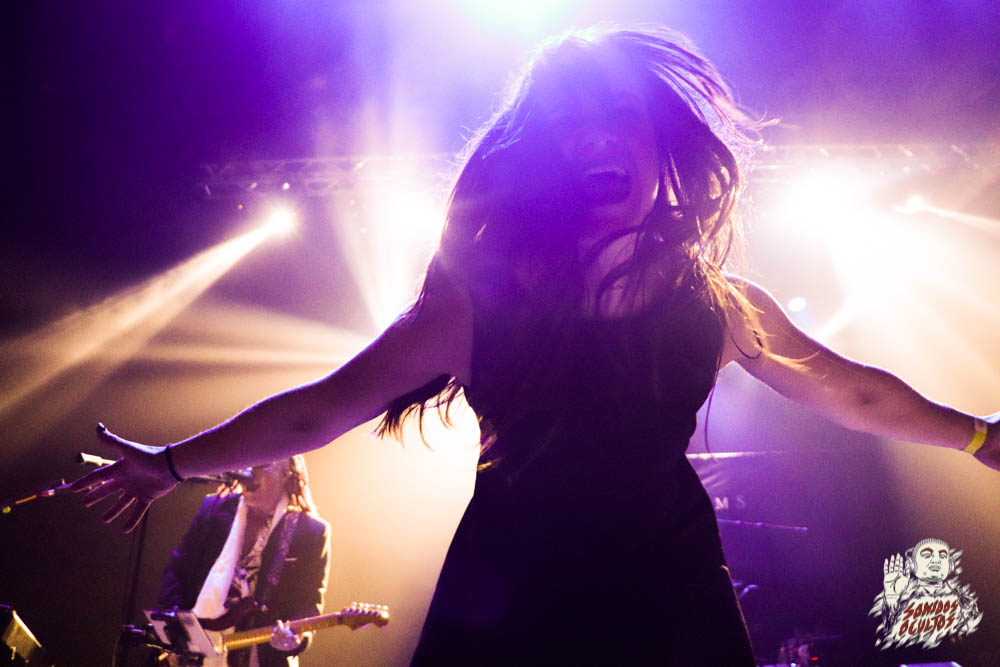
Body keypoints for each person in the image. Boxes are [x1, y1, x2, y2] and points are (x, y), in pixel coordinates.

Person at [71, 24, 999, 665]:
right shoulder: (475, 309)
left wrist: (976, 435)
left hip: (667, 589)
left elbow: (851, 390)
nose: (596, 138)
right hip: (511, 593)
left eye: (618, 118)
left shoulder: (720, 307)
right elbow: (319, 409)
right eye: (571, 127)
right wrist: (172, 462)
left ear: (659, 148)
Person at [156, 456, 330, 667]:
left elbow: (309, 604)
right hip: (197, 652)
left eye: (262, 464)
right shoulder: (214, 508)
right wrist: (175, 626)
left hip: (261, 656)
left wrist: (297, 639)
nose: (250, 470)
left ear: (287, 473)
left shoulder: (310, 532)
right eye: (248, 461)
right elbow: (177, 571)